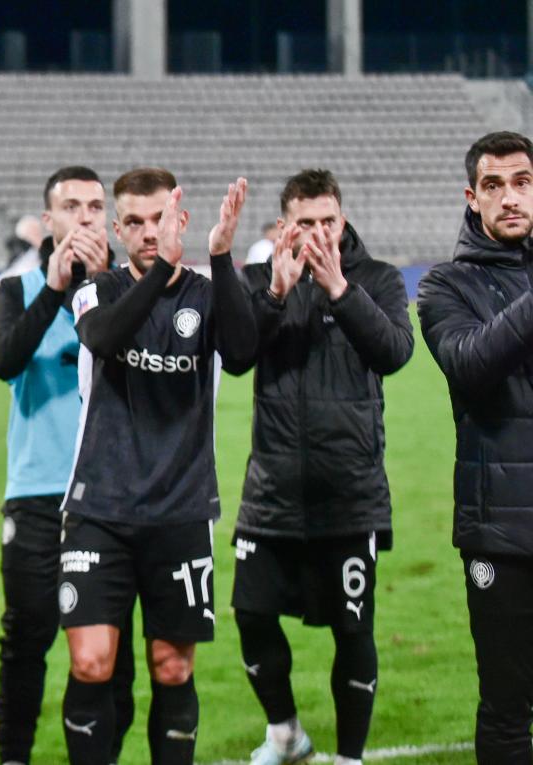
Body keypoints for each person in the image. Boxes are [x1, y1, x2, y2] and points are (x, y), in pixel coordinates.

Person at [58, 169, 257, 765]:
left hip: (182, 509)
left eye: (160, 220)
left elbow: (242, 354)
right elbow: (103, 338)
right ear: (117, 230)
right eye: (136, 222)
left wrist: (220, 257)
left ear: (182, 221)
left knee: (172, 667)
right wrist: (162, 269)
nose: (149, 232)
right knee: (91, 662)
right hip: (100, 509)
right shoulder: (97, 288)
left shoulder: (207, 292)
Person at [233, 169, 413, 765]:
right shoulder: (259, 279)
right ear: (283, 226)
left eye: (327, 221)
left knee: (353, 629)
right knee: (252, 616)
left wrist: (340, 289)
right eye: (304, 222)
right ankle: (285, 733)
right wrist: (275, 295)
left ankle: (350, 757)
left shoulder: (378, 279)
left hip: (350, 491)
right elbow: (235, 357)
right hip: (272, 491)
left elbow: (394, 352)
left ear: (343, 220)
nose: (317, 232)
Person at [0, 165, 134, 765]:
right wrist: (54, 291)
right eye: (71, 206)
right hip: (38, 494)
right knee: (27, 638)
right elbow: (3, 360)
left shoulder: (130, 289)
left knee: (113, 654)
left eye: (95, 207)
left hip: (111, 498)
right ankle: (13, 756)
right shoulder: (17, 289)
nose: (84, 217)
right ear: (49, 220)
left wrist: (100, 285)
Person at [418, 130, 533, 764]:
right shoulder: (445, 286)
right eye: (494, 185)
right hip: (500, 534)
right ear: (473, 197)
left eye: (523, 182)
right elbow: (470, 364)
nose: (510, 197)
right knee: (508, 708)